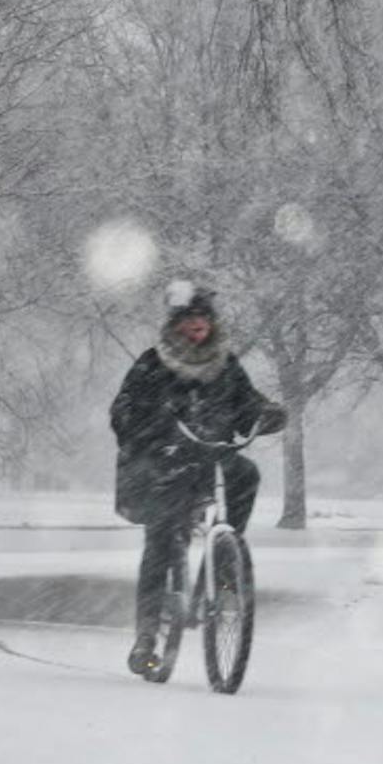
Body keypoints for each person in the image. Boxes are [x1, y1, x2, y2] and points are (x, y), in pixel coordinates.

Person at [110, 280, 284, 676]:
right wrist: (151, 431)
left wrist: (266, 414)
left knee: (246, 475)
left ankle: (224, 562)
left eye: (203, 319)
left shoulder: (226, 365)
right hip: (165, 463)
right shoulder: (152, 364)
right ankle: (147, 635)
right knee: (160, 540)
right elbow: (122, 411)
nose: (197, 326)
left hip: (212, 460)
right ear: (175, 324)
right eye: (189, 319)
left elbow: (247, 404)